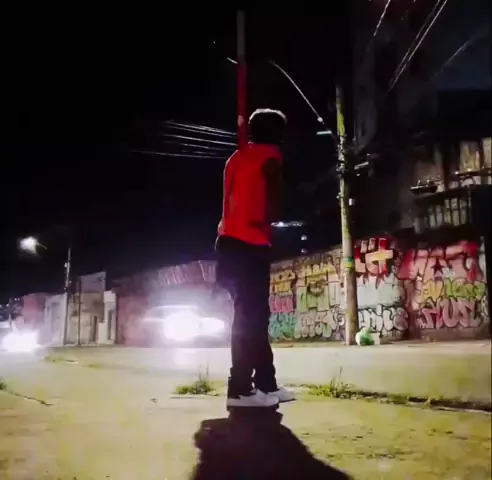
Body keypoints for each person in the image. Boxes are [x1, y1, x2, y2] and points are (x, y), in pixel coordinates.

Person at [215, 108, 296, 408]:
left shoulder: (237, 157)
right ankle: (239, 389)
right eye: (281, 132)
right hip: (250, 244)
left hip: (228, 243)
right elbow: (274, 209)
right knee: (250, 319)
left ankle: (265, 384)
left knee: (253, 317)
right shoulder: (270, 157)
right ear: (275, 134)